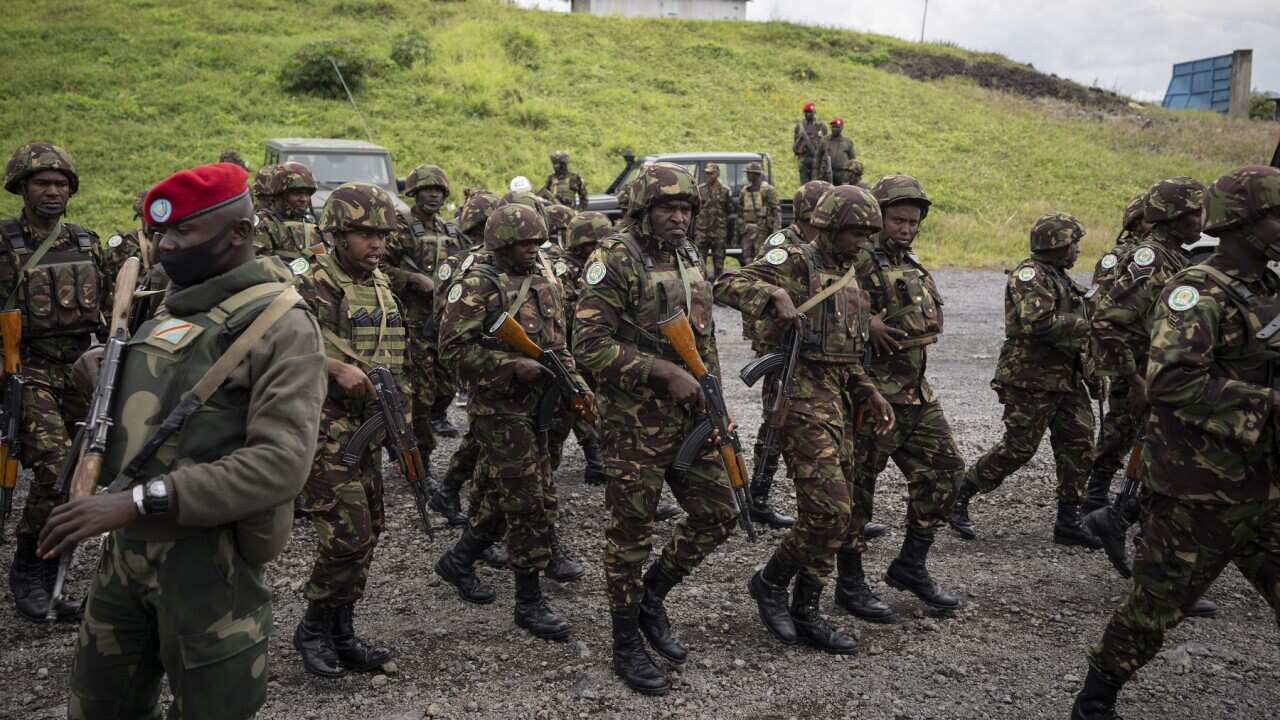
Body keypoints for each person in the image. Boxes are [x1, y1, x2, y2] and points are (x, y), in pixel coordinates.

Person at [40, 161, 326, 717]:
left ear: (239, 233)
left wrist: (137, 501)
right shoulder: (168, 301)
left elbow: (280, 463)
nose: (166, 245)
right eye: (161, 232)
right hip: (124, 553)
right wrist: (106, 373)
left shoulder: (282, 324)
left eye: (183, 232)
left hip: (208, 564)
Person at [1071, 165, 1280, 719]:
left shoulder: (1270, 288)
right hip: (1198, 491)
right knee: (1153, 609)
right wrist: (1268, 404)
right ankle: (1094, 703)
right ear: (1241, 222)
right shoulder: (1197, 291)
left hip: (1266, 484)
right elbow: (1170, 382)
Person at [573, 163, 738, 695]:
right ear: (643, 210)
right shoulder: (614, 258)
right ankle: (625, 642)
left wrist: (716, 401)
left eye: (686, 208)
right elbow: (588, 346)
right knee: (631, 535)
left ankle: (651, 598)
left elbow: (702, 337)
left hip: (690, 417)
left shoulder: (688, 255)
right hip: (633, 423)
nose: (679, 217)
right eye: (668, 207)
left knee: (719, 513)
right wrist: (661, 372)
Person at [715, 185, 895, 654]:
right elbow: (726, 283)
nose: (862, 241)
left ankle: (807, 607)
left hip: (839, 400)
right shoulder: (796, 261)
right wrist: (772, 293)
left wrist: (869, 391)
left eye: (868, 233)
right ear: (829, 226)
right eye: (855, 232)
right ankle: (771, 581)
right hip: (798, 397)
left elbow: (844, 353)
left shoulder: (850, 274)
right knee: (828, 510)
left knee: (843, 514)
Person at [434, 203, 578, 640]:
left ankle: (460, 559)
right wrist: (509, 365)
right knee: (529, 500)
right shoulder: (476, 285)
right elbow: (452, 351)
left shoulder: (544, 281)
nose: (533, 250)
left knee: (507, 493)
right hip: (498, 409)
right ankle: (528, 602)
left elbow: (557, 342)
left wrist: (575, 386)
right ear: (500, 244)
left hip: (541, 406)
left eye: (538, 242)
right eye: (523, 243)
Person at [293, 182, 406, 678]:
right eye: (364, 234)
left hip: (368, 429)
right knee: (347, 535)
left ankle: (342, 630)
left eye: (381, 235)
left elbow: (395, 357)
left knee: (370, 530)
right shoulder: (313, 284)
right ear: (338, 234)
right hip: (324, 430)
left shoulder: (380, 284)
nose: (376, 243)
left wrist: (401, 423)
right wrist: (334, 368)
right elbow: (277, 348)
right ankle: (312, 628)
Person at [842, 175, 963, 622]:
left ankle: (911, 564)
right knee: (858, 493)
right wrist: (865, 322)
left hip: (915, 395)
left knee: (946, 472)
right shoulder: (855, 261)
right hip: (872, 397)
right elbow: (821, 309)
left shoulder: (908, 262)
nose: (906, 228)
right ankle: (850, 584)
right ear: (878, 218)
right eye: (897, 220)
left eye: (913, 222)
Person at [1, 142, 109, 621]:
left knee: (88, 468)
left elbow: (112, 307)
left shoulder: (86, 243)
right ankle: (30, 568)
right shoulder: (4, 244)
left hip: (79, 369)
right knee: (55, 467)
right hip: (26, 370)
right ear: (22, 188)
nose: (52, 191)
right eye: (42, 183)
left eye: (61, 184)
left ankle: (53, 570)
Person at [948, 213, 1101, 548]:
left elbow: (1075, 338)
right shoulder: (1029, 275)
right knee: (1018, 448)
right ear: (1056, 243)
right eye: (1073, 243)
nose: (1077, 250)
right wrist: (1092, 322)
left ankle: (1069, 520)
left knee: (1079, 445)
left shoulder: (1061, 278)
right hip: (1030, 378)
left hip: (1066, 380)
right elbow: (1038, 322)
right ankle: (961, 493)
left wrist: (1092, 373)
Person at [1086, 178, 1203, 509]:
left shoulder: (1174, 256)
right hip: (1143, 372)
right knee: (1127, 436)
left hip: (1161, 373)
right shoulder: (1152, 259)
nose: (1203, 220)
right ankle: (1100, 506)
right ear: (1174, 216)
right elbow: (1107, 320)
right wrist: (1134, 379)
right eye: (1196, 213)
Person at [738, 179, 832, 531]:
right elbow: (749, 286)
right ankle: (758, 497)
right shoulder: (781, 246)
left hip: (813, 347)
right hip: (780, 347)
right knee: (776, 418)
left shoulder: (825, 248)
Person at [1081, 192, 1151, 513]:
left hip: (1152, 355)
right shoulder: (1122, 257)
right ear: (1135, 223)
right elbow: (1101, 308)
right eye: (1148, 219)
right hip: (1130, 354)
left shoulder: (1165, 254)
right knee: (1121, 424)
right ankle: (1096, 492)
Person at [253, 162, 323, 266]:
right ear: (279, 195)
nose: (304, 199)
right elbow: (259, 266)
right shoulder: (263, 224)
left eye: (307, 194)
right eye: (296, 193)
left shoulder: (310, 222)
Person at [694, 162, 734, 279]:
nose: (709, 176)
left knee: (719, 263)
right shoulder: (700, 189)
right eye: (707, 173)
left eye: (711, 173)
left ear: (717, 174)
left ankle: (718, 286)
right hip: (702, 231)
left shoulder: (725, 190)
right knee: (699, 263)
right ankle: (701, 285)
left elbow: (730, 210)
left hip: (718, 232)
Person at [739, 162, 780, 262]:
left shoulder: (768, 190)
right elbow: (740, 211)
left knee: (761, 258)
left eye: (750, 173)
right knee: (747, 257)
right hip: (747, 230)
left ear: (757, 174)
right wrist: (740, 230)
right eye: (747, 173)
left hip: (762, 230)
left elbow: (776, 212)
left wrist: (775, 232)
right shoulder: (745, 191)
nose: (748, 175)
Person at [792, 102, 828, 184]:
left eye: (810, 112)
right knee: (804, 185)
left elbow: (825, 145)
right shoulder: (799, 126)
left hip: (817, 159)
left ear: (814, 112)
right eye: (806, 112)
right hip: (803, 159)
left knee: (816, 184)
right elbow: (795, 146)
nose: (808, 114)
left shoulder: (821, 126)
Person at [819, 118, 857, 186]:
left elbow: (852, 160)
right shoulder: (824, 140)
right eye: (833, 127)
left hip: (842, 174)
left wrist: (850, 176)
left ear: (842, 128)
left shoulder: (847, 142)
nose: (834, 129)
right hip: (826, 173)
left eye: (837, 127)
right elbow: (818, 157)